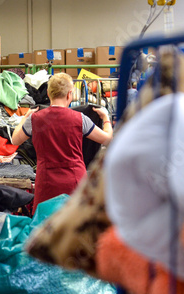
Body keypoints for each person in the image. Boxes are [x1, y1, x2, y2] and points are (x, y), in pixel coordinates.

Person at [12, 73, 113, 213]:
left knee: (44, 224)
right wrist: (106, 117)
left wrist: (24, 117)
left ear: (48, 93)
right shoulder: (80, 119)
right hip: (75, 180)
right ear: (69, 94)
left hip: (46, 182)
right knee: (77, 225)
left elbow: (14, 140)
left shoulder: (35, 119)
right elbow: (108, 139)